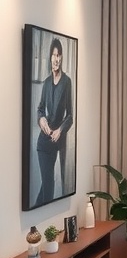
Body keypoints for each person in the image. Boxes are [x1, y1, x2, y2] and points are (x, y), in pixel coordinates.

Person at [35, 37, 74, 205]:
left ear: (62, 57)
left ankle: (35, 216)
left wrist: (60, 130)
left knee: (46, 187)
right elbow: (40, 109)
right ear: (50, 57)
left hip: (58, 140)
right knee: (48, 189)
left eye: (59, 55)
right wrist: (41, 119)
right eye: (54, 55)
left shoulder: (66, 82)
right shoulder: (46, 83)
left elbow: (70, 116)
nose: (56, 59)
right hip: (44, 143)